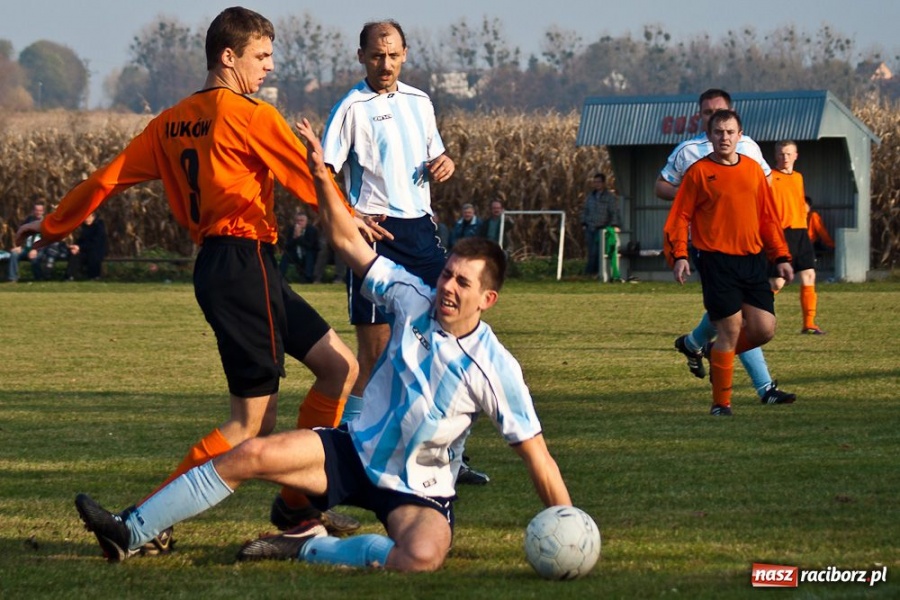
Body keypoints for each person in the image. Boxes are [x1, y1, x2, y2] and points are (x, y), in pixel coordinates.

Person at [73, 119, 574, 571]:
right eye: (446, 274)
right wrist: (318, 174)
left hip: (418, 492)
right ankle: (131, 531)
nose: (446, 287)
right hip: (352, 453)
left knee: (420, 558)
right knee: (249, 454)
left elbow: (538, 458)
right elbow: (347, 242)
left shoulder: (495, 367)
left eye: (462, 283)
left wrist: (568, 524)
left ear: (487, 299)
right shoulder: (411, 295)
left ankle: (310, 544)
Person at [18, 7, 360, 553]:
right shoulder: (249, 113)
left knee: (339, 367)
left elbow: (106, 179)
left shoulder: (170, 122)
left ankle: (298, 508)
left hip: (230, 267)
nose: (270, 67)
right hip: (244, 263)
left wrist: (55, 226)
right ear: (229, 57)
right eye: (262, 56)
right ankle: (143, 524)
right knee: (250, 425)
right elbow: (305, 176)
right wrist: (349, 218)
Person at [321, 20, 488, 485]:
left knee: (448, 340)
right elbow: (323, 173)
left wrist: (446, 161)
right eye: (377, 55)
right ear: (361, 57)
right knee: (373, 358)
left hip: (422, 235)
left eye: (393, 55)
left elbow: (436, 156)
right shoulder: (351, 108)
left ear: (406, 54)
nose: (386, 64)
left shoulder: (421, 102)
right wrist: (351, 215)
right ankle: (346, 459)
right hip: (374, 236)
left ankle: (451, 455)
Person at [656, 88, 796, 406]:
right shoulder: (692, 159)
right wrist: (679, 254)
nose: (723, 136)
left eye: (729, 130)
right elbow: (673, 204)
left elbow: (767, 213)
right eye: (714, 126)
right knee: (731, 326)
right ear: (704, 125)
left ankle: (702, 347)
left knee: (761, 328)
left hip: (751, 256)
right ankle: (728, 402)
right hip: (714, 256)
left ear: (738, 132)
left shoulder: (752, 161)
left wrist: (781, 255)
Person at [769, 141, 826, 334]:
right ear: (776, 156)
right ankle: (751, 314)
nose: (785, 157)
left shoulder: (798, 177)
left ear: (796, 156)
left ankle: (809, 324)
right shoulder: (769, 177)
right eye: (781, 154)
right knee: (778, 282)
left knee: (809, 274)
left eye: (788, 154)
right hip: (781, 233)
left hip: (801, 232)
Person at [581, 173, 621, 278]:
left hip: (602, 228)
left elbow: (614, 212)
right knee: (591, 251)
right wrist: (584, 222)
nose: (596, 184)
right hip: (590, 227)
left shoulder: (609, 197)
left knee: (599, 252)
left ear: (603, 183)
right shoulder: (590, 196)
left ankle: (599, 272)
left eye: (599, 182)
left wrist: (614, 224)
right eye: (595, 182)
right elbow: (585, 210)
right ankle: (590, 273)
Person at [7, 199, 46, 282]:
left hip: (40, 249)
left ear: (43, 211)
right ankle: (13, 278)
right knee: (14, 254)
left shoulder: (46, 223)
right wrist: (19, 246)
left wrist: (35, 249)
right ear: (33, 211)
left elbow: (47, 240)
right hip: (26, 248)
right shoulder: (28, 221)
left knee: (35, 259)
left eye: (40, 210)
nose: (38, 212)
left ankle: (39, 279)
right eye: (36, 210)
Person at [66, 211, 108, 280]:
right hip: (84, 249)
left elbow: (95, 242)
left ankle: (94, 276)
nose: (86, 219)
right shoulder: (83, 227)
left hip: (96, 250)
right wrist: (76, 247)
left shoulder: (99, 226)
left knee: (93, 255)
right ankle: (70, 276)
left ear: (93, 216)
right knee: (74, 254)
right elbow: (81, 240)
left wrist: (80, 247)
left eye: (87, 217)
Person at [279, 211, 318, 283]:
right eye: (297, 221)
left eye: (302, 220)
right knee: (286, 255)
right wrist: (294, 237)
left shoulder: (311, 230)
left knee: (309, 254)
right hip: (296, 253)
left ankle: (307, 278)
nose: (299, 222)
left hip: (308, 253)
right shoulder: (291, 229)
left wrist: (299, 237)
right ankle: (280, 276)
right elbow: (287, 246)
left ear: (306, 221)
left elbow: (310, 246)